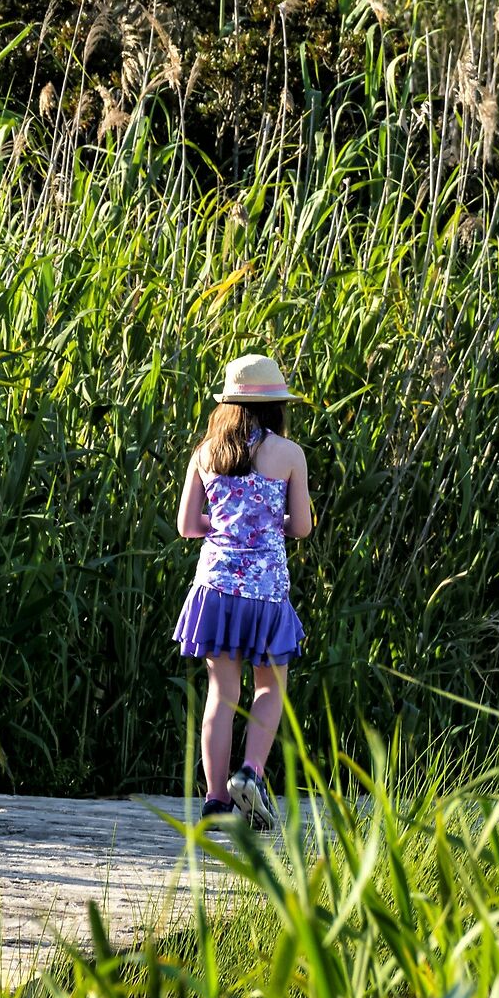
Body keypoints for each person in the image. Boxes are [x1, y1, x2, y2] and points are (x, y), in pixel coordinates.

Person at [173, 354, 313, 830]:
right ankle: (250, 772)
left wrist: (228, 523)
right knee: (270, 685)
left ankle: (215, 801)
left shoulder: (205, 452)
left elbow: (188, 526)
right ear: (276, 406)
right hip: (265, 589)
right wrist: (266, 523)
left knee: (221, 691)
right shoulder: (289, 454)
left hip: (215, 587)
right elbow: (303, 527)